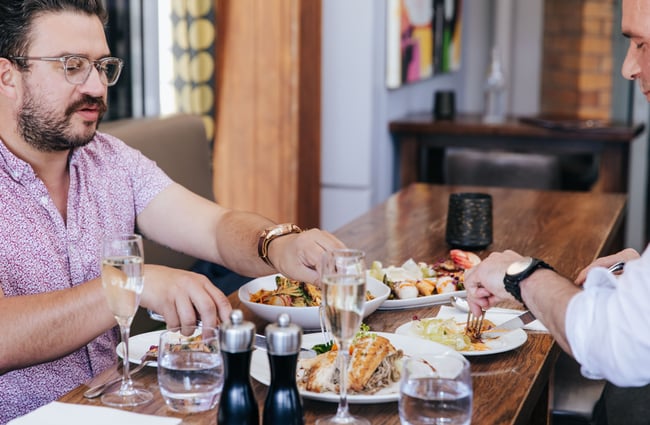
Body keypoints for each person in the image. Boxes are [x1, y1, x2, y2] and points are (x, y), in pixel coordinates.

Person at [0, 1, 344, 422]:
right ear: (7, 76)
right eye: (72, 66)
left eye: (102, 65)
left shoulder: (112, 161)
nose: (96, 86)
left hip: (123, 407)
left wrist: (278, 244)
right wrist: (129, 286)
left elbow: (215, 227)